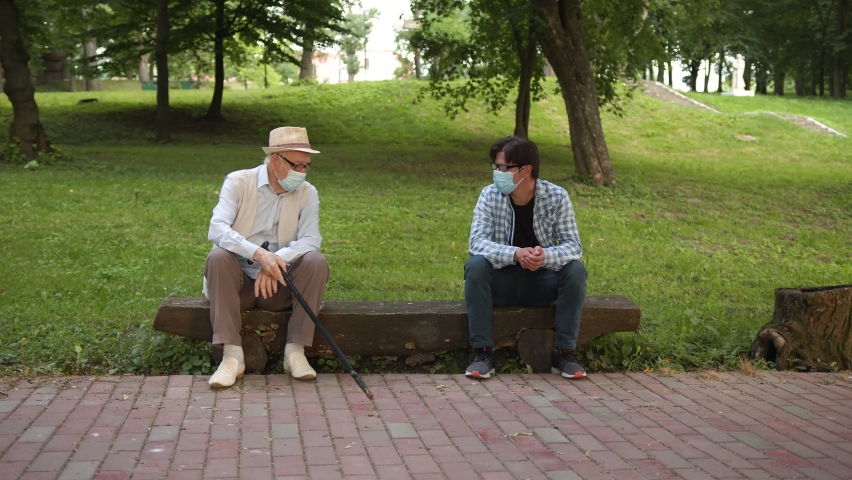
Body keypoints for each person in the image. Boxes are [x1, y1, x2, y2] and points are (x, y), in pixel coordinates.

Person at [204, 126, 329, 388]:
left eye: (307, 166)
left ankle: (295, 352)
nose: (302, 173)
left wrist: (275, 261)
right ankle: (232, 356)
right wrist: (260, 255)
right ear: (275, 161)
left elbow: (311, 239)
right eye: (298, 165)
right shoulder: (238, 182)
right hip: (237, 287)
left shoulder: (308, 193)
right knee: (218, 257)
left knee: (316, 261)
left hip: (280, 286)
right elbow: (217, 228)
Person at [464, 136, 588, 380]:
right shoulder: (489, 196)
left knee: (576, 270)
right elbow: (476, 242)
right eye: (495, 167)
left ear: (525, 170)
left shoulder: (557, 197)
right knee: (475, 265)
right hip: (501, 282)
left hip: (542, 283)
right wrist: (515, 253)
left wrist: (544, 257)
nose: (497, 173)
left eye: (503, 168)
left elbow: (574, 246)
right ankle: (484, 353)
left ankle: (564, 354)